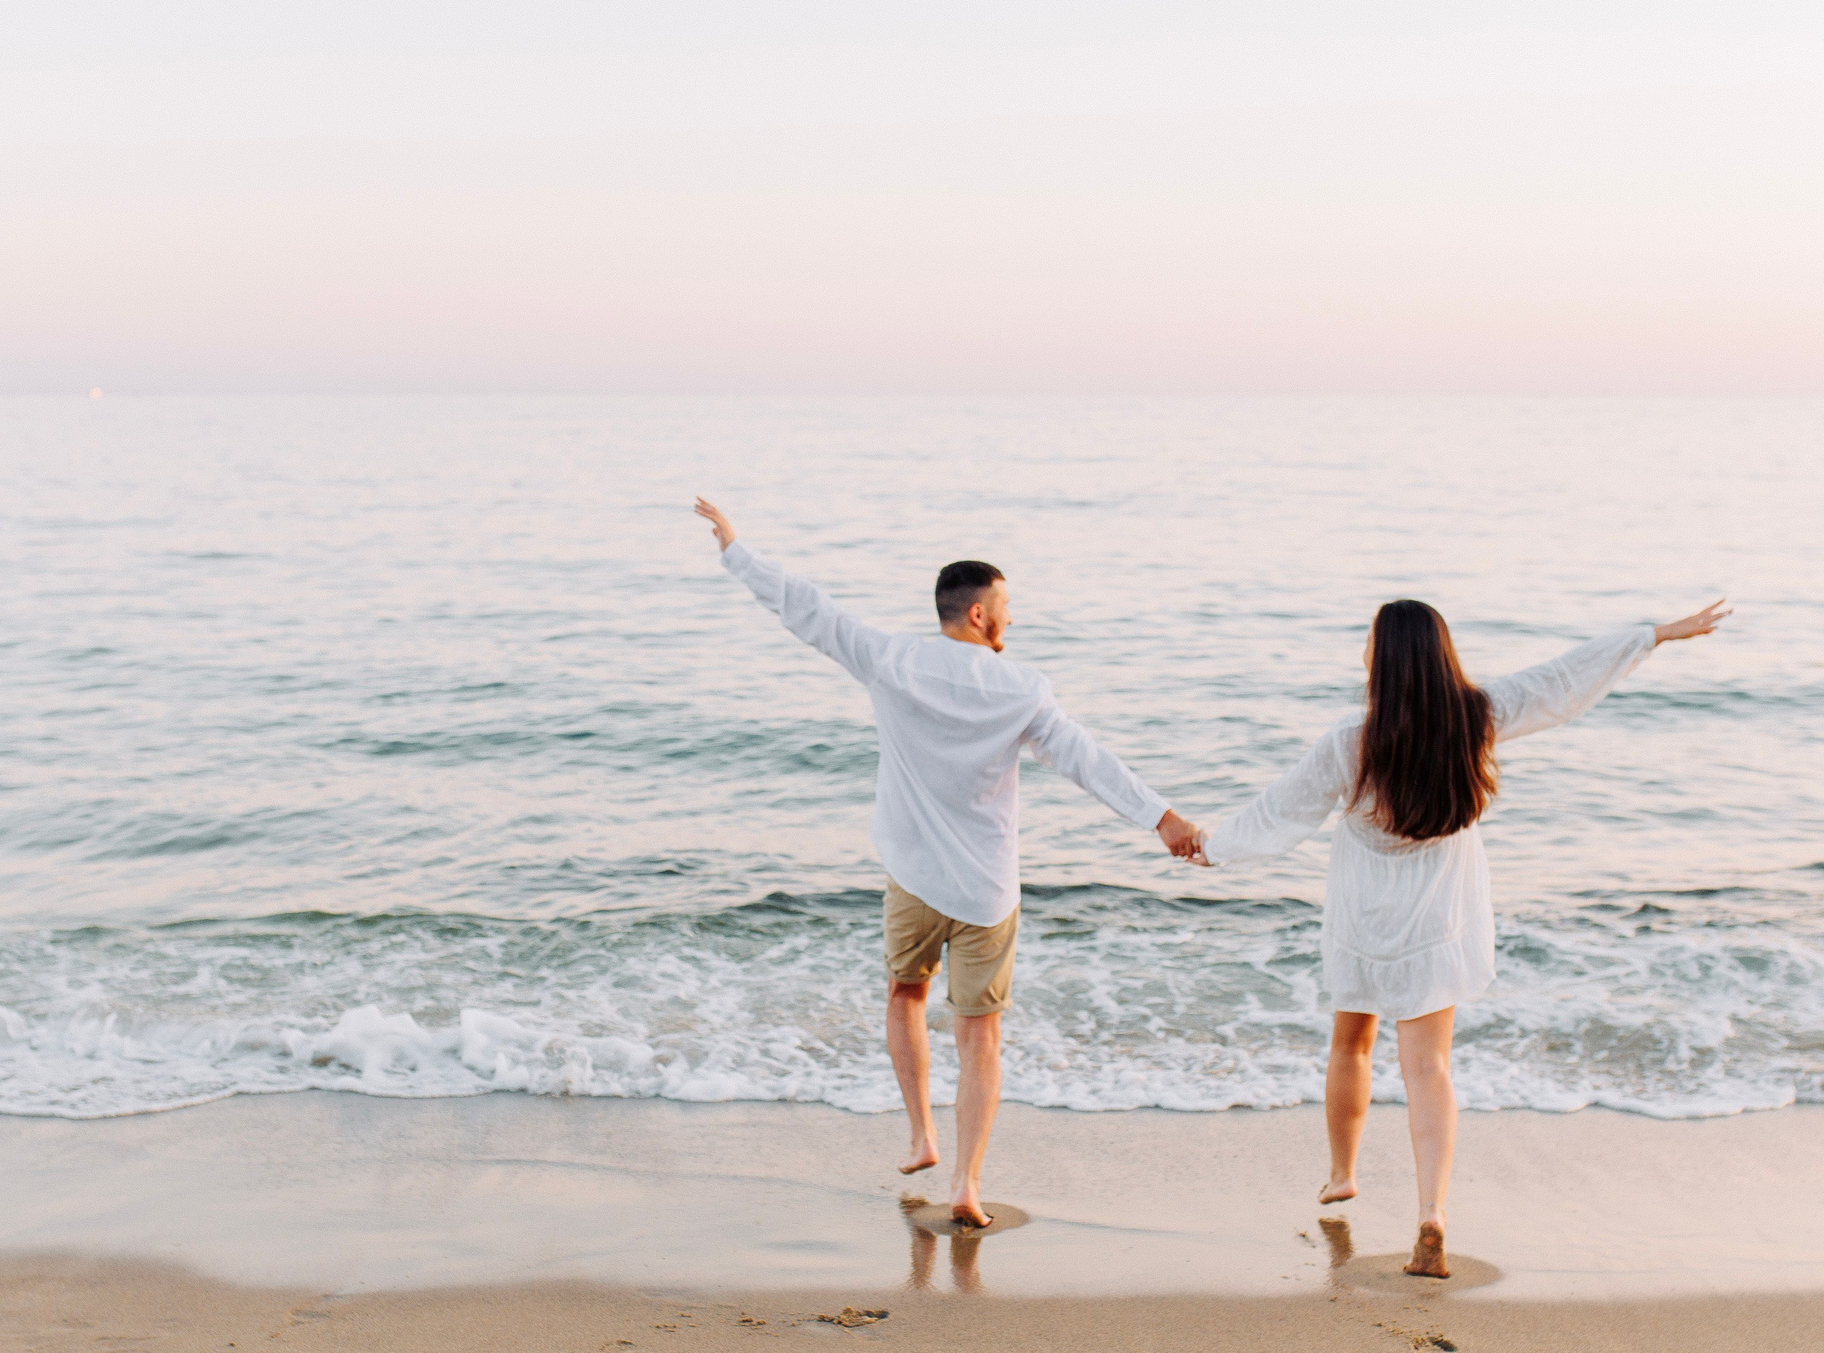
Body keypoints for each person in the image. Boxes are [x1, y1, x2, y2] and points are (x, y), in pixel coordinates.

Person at [694, 498, 1204, 1227]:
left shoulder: (890, 658)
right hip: (987, 890)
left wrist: (736, 549)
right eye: (1004, 608)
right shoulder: (1022, 688)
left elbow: (806, 608)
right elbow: (1087, 760)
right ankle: (966, 1182)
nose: (1010, 620)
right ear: (976, 616)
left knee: (905, 994)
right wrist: (1162, 818)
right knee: (980, 1033)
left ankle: (920, 1133)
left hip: (912, 877)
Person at [1201, 596, 1728, 1276]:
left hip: (1365, 921)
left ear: (1381, 659)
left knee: (1351, 1042)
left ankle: (1341, 1172)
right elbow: (1563, 681)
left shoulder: (1349, 742)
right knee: (1430, 1067)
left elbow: (1278, 812)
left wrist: (1208, 845)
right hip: (1437, 920)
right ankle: (1432, 1212)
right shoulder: (1476, 718)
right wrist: (1652, 635)